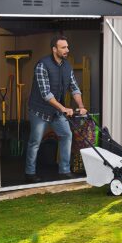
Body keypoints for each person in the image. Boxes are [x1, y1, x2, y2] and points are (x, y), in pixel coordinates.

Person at [25, 35, 87, 183]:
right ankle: (30, 172)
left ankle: (64, 171)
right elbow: (46, 94)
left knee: (66, 135)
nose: (67, 50)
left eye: (67, 47)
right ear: (54, 49)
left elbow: (74, 88)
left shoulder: (67, 66)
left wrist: (81, 106)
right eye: (63, 47)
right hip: (39, 110)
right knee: (35, 142)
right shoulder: (42, 65)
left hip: (56, 111)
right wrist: (64, 108)